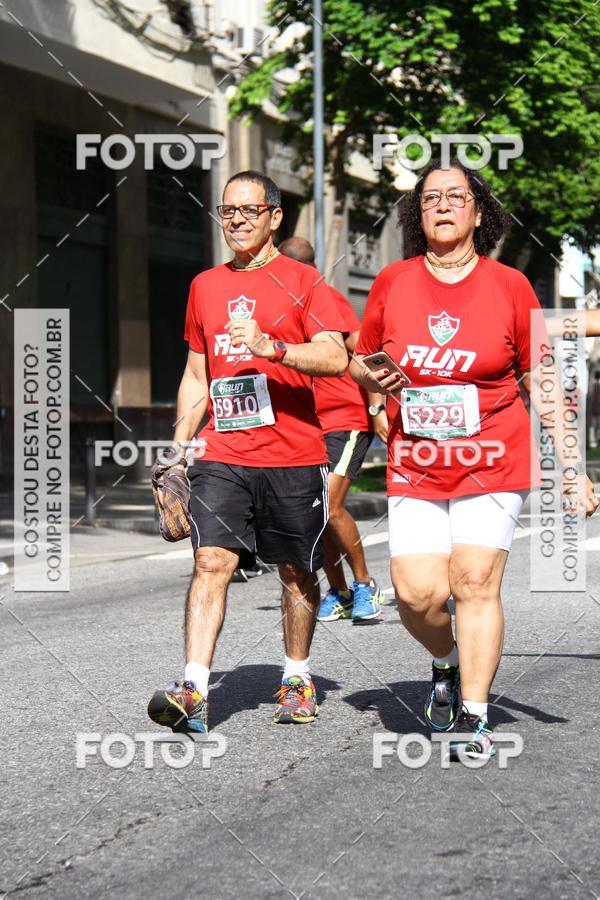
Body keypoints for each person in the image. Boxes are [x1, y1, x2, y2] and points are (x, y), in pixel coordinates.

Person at [352, 159, 599, 759]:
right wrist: (378, 393)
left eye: (454, 197)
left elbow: (540, 381)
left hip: (492, 454)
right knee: (415, 593)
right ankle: (447, 662)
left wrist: (573, 468)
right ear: (418, 214)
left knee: (474, 583)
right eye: (429, 198)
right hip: (415, 458)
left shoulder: (509, 285)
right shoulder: (393, 281)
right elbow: (362, 360)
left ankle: (476, 712)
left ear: (477, 213)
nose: (440, 205)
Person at [147, 170, 347, 733]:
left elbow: (333, 358)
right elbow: (195, 371)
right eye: (226, 211)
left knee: (294, 571)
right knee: (211, 562)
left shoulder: (305, 282)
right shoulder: (205, 286)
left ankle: (297, 674)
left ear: (274, 217)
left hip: (292, 454)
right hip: (224, 455)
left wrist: (272, 347)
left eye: (248, 211)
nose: (235, 220)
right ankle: (194, 687)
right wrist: (180, 445)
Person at [279, 237, 385, 623]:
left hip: (346, 419)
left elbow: (365, 350)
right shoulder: (276, 304)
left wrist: (376, 407)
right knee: (312, 512)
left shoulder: (326, 298)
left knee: (329, 504)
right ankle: (337, 590)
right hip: (307, 424)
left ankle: (365, 584)